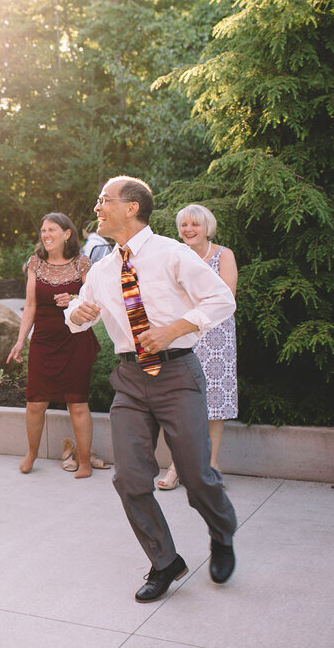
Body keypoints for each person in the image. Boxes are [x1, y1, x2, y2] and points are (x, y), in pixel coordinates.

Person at [66, 176, 237, 603]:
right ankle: (165, 561)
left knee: (197, 477)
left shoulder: (171, 253)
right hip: (129, 380)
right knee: (130, 479)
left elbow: (221, 300)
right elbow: (77, 314)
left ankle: (221, 533)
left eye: (103, 200)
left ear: (131, 207)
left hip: (178, 373)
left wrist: (174, 329)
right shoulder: (104, 267)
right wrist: (77, 310)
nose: (97, 208)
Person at [6, 213, 106, 478]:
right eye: (43, 230)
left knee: (78, 403)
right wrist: (20, 340)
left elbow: (96, 301)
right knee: (35, 403)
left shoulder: (83, 263)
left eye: (52, 230)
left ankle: (84, 461)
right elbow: (30, 305)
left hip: (75, 340)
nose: (46, 235)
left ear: (67, 234)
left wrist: (74, 297)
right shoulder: (35, 263)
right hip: (43, 341)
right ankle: (31, 454)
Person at [156, 204, 239, 491]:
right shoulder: (174, 255)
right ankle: (176, 466)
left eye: (195, 225)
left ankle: (212, 465)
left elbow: (226, 297)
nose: (188, 230)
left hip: (216, 337)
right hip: (181, 335)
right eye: (184, 225)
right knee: (181, 402)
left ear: (207, 228)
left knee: (214, 403)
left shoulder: (223, 255)